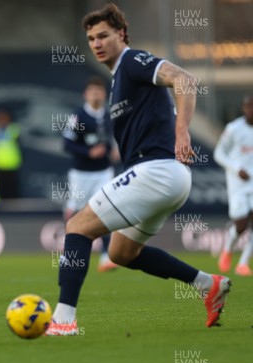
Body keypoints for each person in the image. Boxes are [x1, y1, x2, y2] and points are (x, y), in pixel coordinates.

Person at [46, 4, 230, 336]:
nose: (97, 43)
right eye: (91, 38)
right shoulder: (117, 80)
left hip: (156, 171)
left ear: (122, 34)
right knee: (121, 252)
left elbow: (184, 79)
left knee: (76, 227)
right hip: (167, 178)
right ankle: (207, 283)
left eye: (104, 35)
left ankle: (62, 320)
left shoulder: (132, 61)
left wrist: (182, 130)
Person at [62, 77, 119, 272]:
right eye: (92, 90)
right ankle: (70, 253)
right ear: (85, 94)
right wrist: (88, 152)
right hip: (81, 173)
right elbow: (67, 144)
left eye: (99, 90)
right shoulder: (78, 116)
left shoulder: (109, 115)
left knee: (106, 209)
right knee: (76, 211)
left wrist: (115, 150)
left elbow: (114, 138)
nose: (96, 93)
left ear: (104, 94)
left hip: (104, 172)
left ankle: (105, 256)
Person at [214, 95, 253, 276]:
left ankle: (243, 264)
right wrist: (237, 168)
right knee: (241, 224)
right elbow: (218, 154)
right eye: (248, 107)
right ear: (243, 109)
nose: (250, 110)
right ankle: (228, 249)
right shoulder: (234, 129)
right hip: (238, 183)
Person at [0, 108, 22, 199]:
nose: (1, 120)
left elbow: (17, 136)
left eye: (3, 118)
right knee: (0, 187)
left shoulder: (13, 129)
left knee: (11, 188)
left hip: (11, 163)